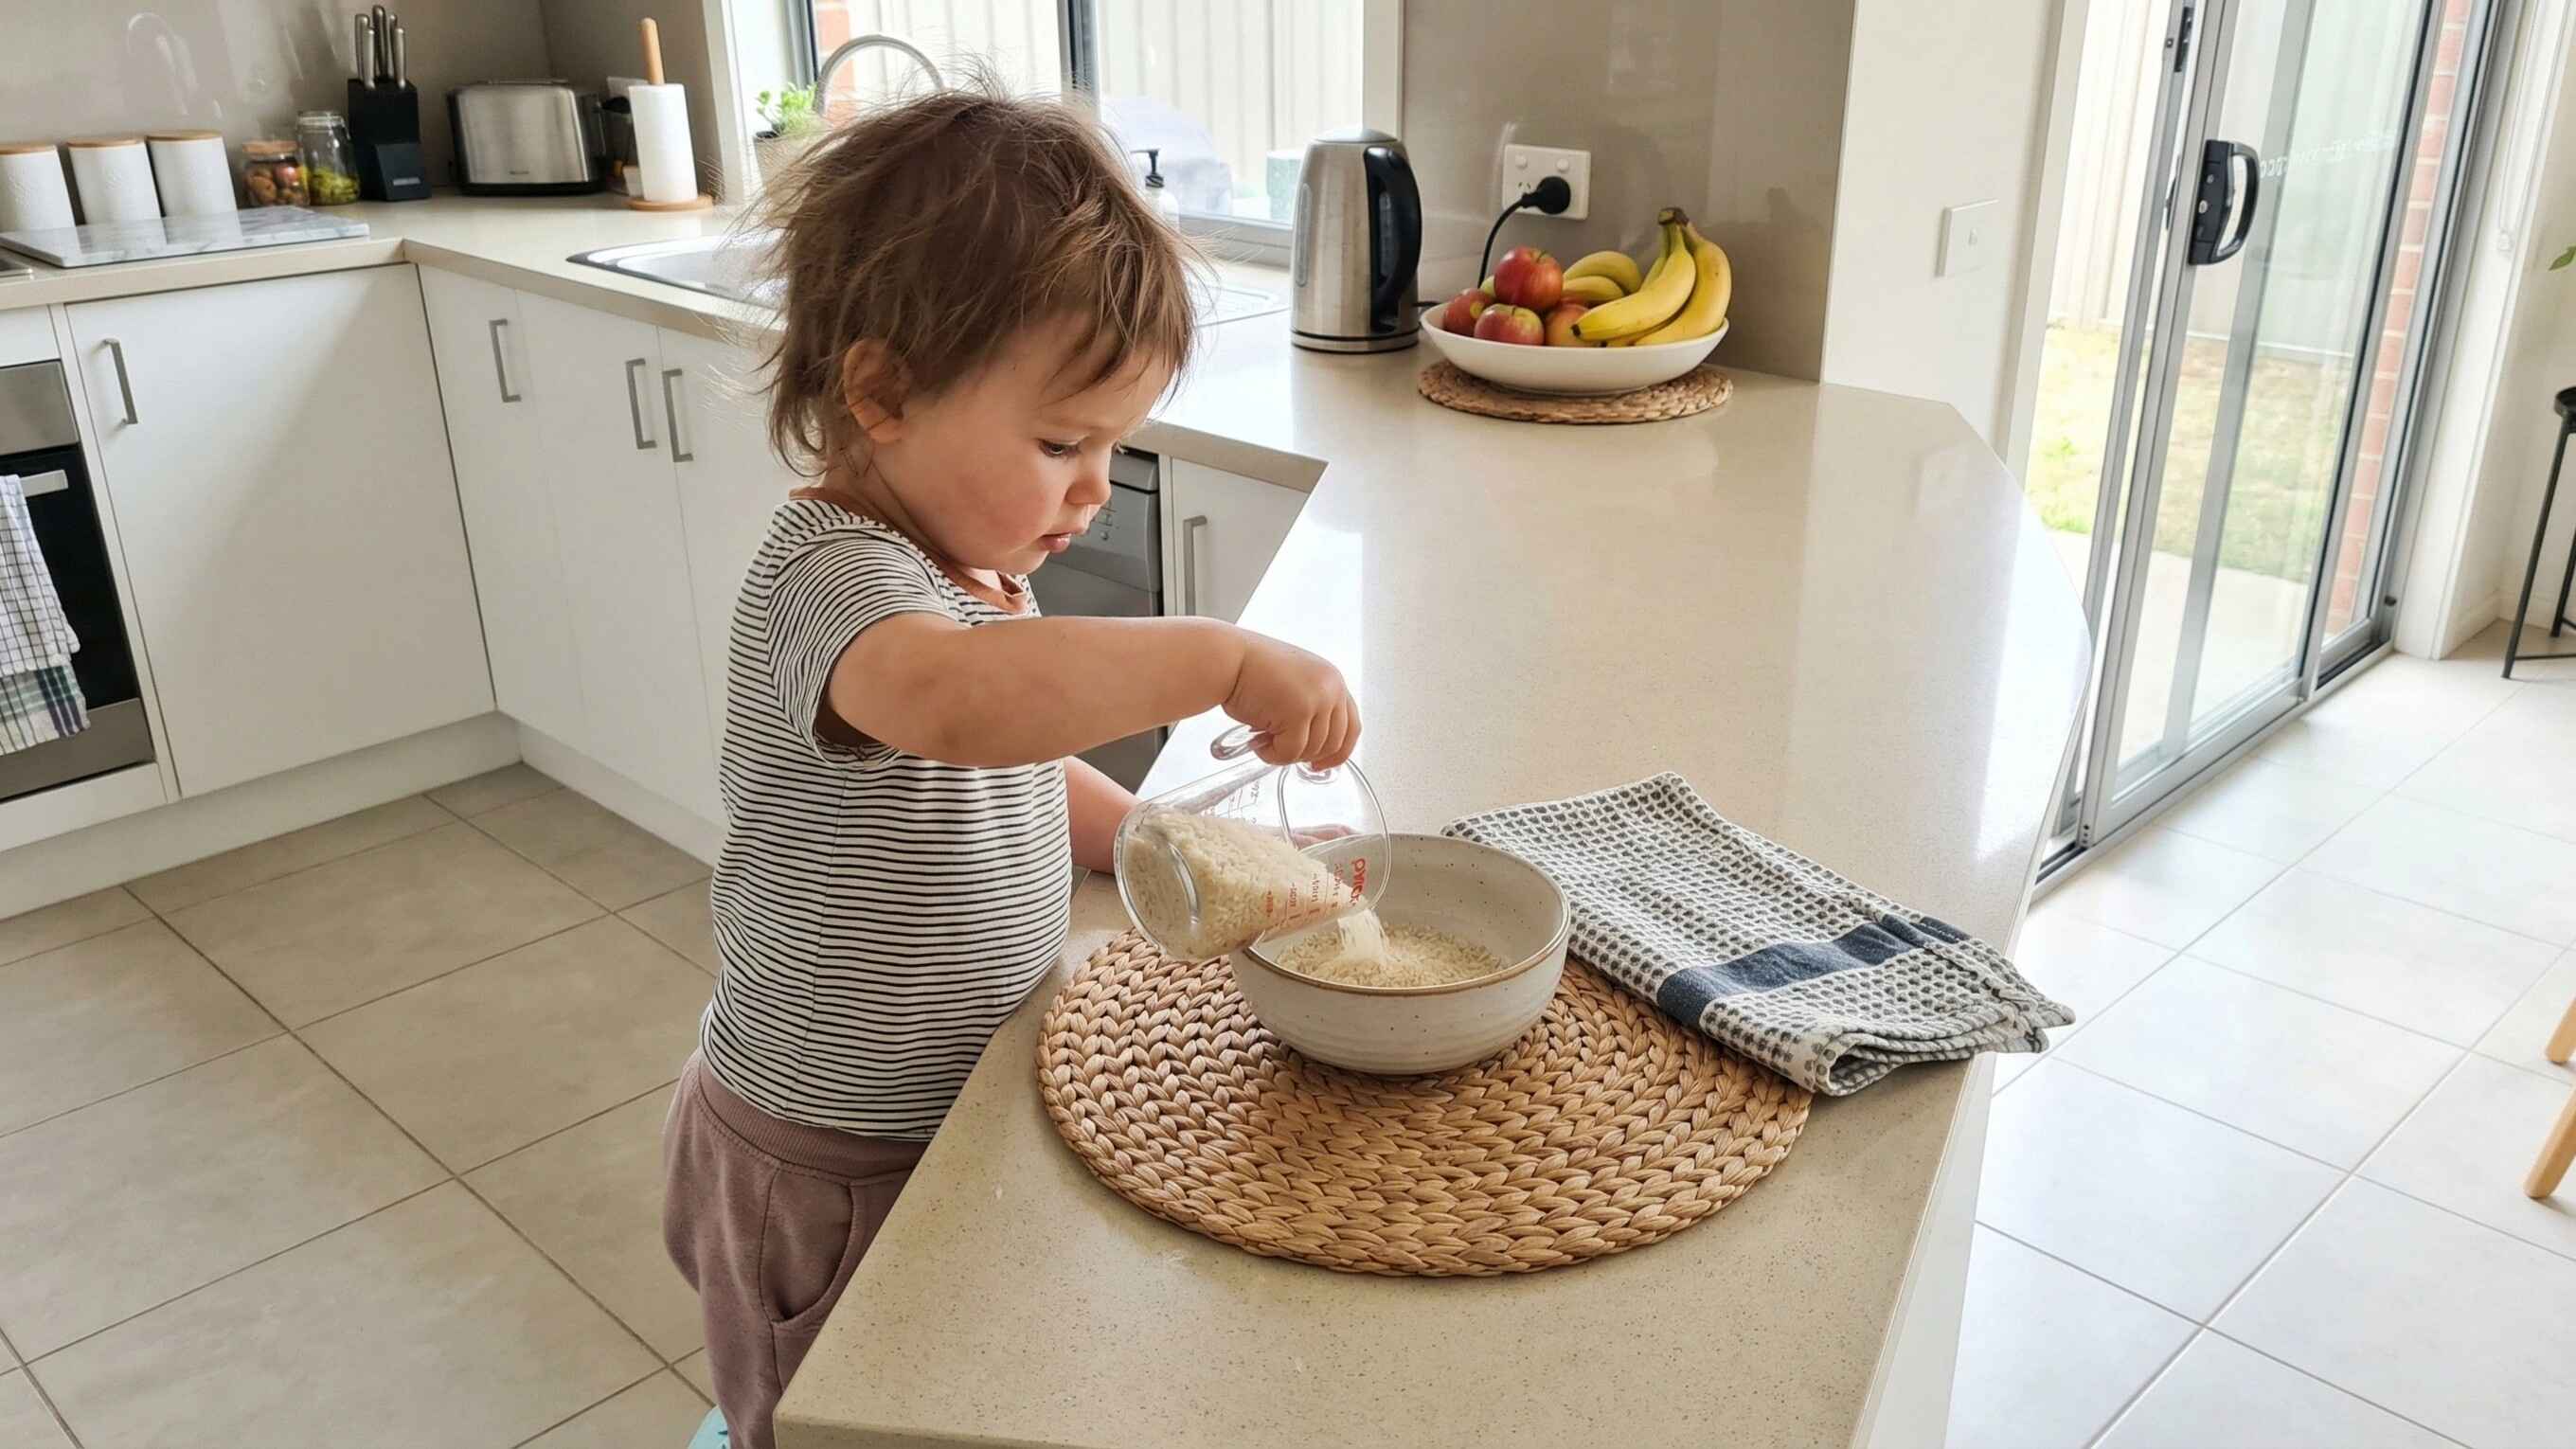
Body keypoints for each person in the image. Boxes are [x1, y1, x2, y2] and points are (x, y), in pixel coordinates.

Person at [661, 82, 1359, 1449]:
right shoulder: (832, 580)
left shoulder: (967, 568)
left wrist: (1162, 845)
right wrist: (1217, 655)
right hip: (822, 1153)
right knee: (830, 1423)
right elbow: (962, 709)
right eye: (1060, 444)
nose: (1094, 488)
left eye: (1112, 446)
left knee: (955, 1391)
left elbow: (1018, 780)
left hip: (951, 1107)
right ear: (884, 392)